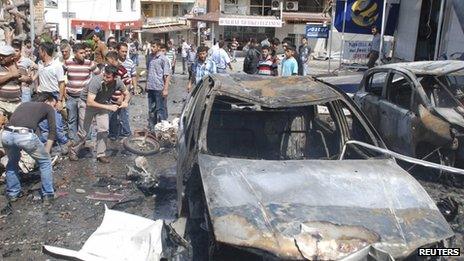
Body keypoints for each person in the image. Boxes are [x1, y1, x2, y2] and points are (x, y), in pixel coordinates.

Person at [2, 93, 57, 204]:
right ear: (47, 101)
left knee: (12, 162)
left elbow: (22, 123)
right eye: (54, 104)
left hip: (6, 134)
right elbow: (52, 131)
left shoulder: (24, 104)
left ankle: (13, 193)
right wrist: (46, 151)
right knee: (45, 162)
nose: (54, 107)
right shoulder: (47, 107)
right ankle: (48, 194)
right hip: (24, 135)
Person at [69, 65, 130, 163]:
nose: (105, 78)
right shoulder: (96, 81)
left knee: (104, 129)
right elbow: (90, 102)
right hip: (86, 105)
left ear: (115, 77)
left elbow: (127, 93)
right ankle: (73, 150)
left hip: (102, 103)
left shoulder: (118, 82)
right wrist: (109, 107)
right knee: (84, 132)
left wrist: (125, 102)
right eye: (104, 75)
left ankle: (101, 154)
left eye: (108, 77)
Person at [64, 43, 100, 142]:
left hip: (84, 98)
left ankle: (85, 142)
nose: (84, 55)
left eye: (84, 52)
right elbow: (61, 79)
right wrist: (63, 93)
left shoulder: (89, 63)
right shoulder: (67, 63)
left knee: (84, 121)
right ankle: (73, 142)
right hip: (71, 97)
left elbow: (99, 76)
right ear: (75, 53)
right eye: (81, 53)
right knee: (71, 120)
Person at [107, 43, 135, 140]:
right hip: (112, 98)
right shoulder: (111, 69)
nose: (108, 62)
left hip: (121, 98)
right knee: (112, 117)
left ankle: (127, 134)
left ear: (113, 60)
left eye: (108, 60)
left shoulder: (121, 69)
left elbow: (127, 83)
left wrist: (123, 97)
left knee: (123, 117)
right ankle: (113, 135)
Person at [146, 41, 171, 128]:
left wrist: (166, 89)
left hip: (159, 88)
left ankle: (163, 128)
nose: (151, 48)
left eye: (153, 46)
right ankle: (152, 129)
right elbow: (148, 71)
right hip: (151, 87)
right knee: (151, 110)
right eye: (151, 46)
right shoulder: (150, 57)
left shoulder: (163, 59)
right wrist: (146, 84)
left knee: (160, 109)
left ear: (159, 47)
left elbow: (167, 75)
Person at [37, 42, 66, 111]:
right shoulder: (40, 64)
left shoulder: (57, 65)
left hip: (53, 97)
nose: (38, 52)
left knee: (54, 119)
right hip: (42, 96)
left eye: (40, 50)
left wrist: (59, 100)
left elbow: (62, 83)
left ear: (44, 52)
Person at [0, 45, 24, 118]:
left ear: (12, 57)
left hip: (16, 104)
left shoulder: (19, 66)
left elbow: (29, 80)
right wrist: (11, 75)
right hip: (1, 104)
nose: (1, 57)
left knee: (16, 127)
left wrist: (24, 78)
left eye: (4, 56)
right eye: (0, 55)